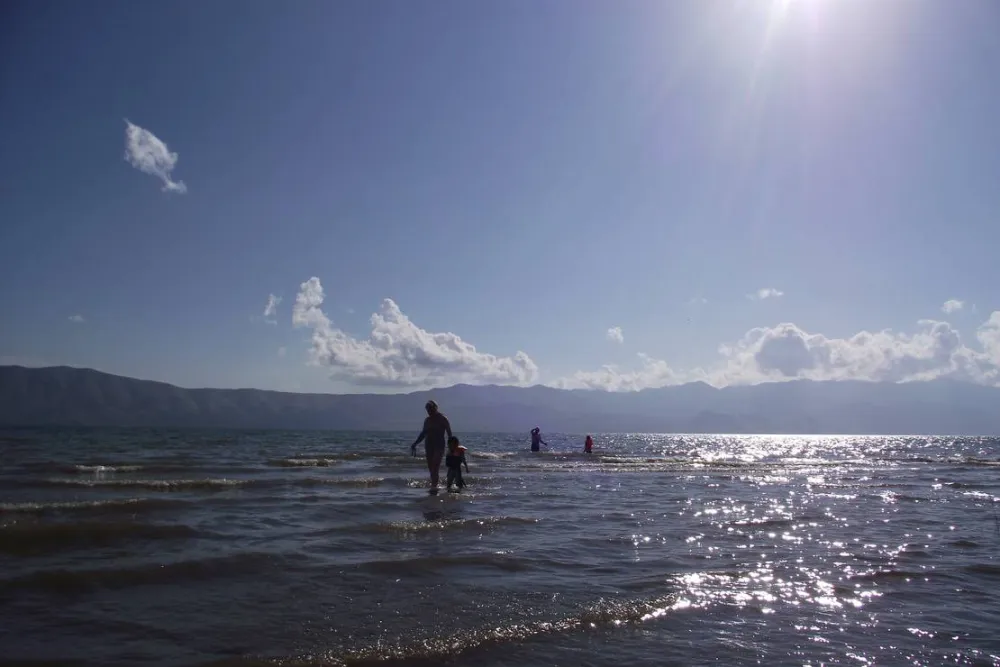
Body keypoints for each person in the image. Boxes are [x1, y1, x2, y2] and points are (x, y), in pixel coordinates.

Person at [410, 400, 453, 490]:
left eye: (430, 409)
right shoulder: (427, 420)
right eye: (427, 410)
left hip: (439, 446)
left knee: (435, 466)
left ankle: (434, 486)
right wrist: (415, 443)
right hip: (429, 446)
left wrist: (451, 447)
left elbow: (449, 433)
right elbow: (423, 434)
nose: (429, 412)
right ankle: (435, 485)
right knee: (431, 469)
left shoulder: (443, 418)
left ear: (435, 408)